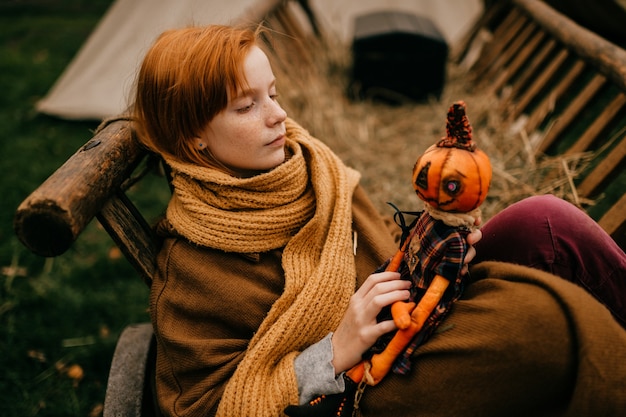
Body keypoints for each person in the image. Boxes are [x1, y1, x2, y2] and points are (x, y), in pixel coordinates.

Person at [131, 24, 626, 417]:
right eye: (247, 105)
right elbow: (205, 407)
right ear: (194, 137)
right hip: (363, 389)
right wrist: (332, 350)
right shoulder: (192, 271)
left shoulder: (314, 170)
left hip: (418, 314)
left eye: (274, 94)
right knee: (543, 329)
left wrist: (432, 245)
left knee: (545, 223)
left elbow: (376, 253)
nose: (277, 115)